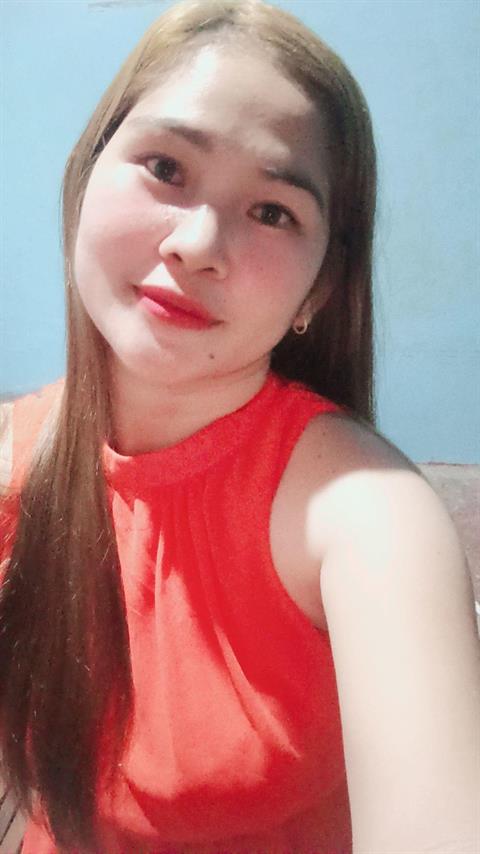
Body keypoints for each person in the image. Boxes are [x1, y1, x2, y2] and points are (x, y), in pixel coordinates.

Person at [0, 1, 478, 852]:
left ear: (319, 290)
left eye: (272, 211)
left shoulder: (366, 513)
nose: (197, 242)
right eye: (165, 166)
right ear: (85, 176)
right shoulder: (14, 458)